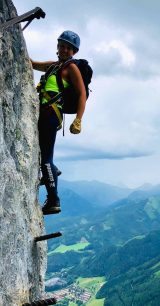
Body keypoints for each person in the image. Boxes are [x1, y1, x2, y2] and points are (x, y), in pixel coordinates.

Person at [31, 30, 86, 215]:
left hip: (50, 113)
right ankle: (53, 172)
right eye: (61, 45)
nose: (63, 49)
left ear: (73, 52)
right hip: (45, 112)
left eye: (67, 47)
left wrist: (78, 119)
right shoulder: (55, 66)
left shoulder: (71, 68)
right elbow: (33, 64)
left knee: (45, 158)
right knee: (45, 156)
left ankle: (53, 200)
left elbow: (82, 94)